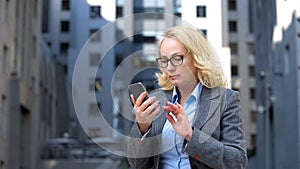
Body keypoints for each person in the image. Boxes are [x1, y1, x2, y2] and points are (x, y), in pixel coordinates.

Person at [127, 26, 248, 169]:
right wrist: (142, 127)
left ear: (196, 57)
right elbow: (136, 164)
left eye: (177, 58)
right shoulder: (156, 100)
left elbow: (237, 162)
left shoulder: (225, 100)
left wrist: (190, 134)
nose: (170, 68)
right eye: (164, 61)